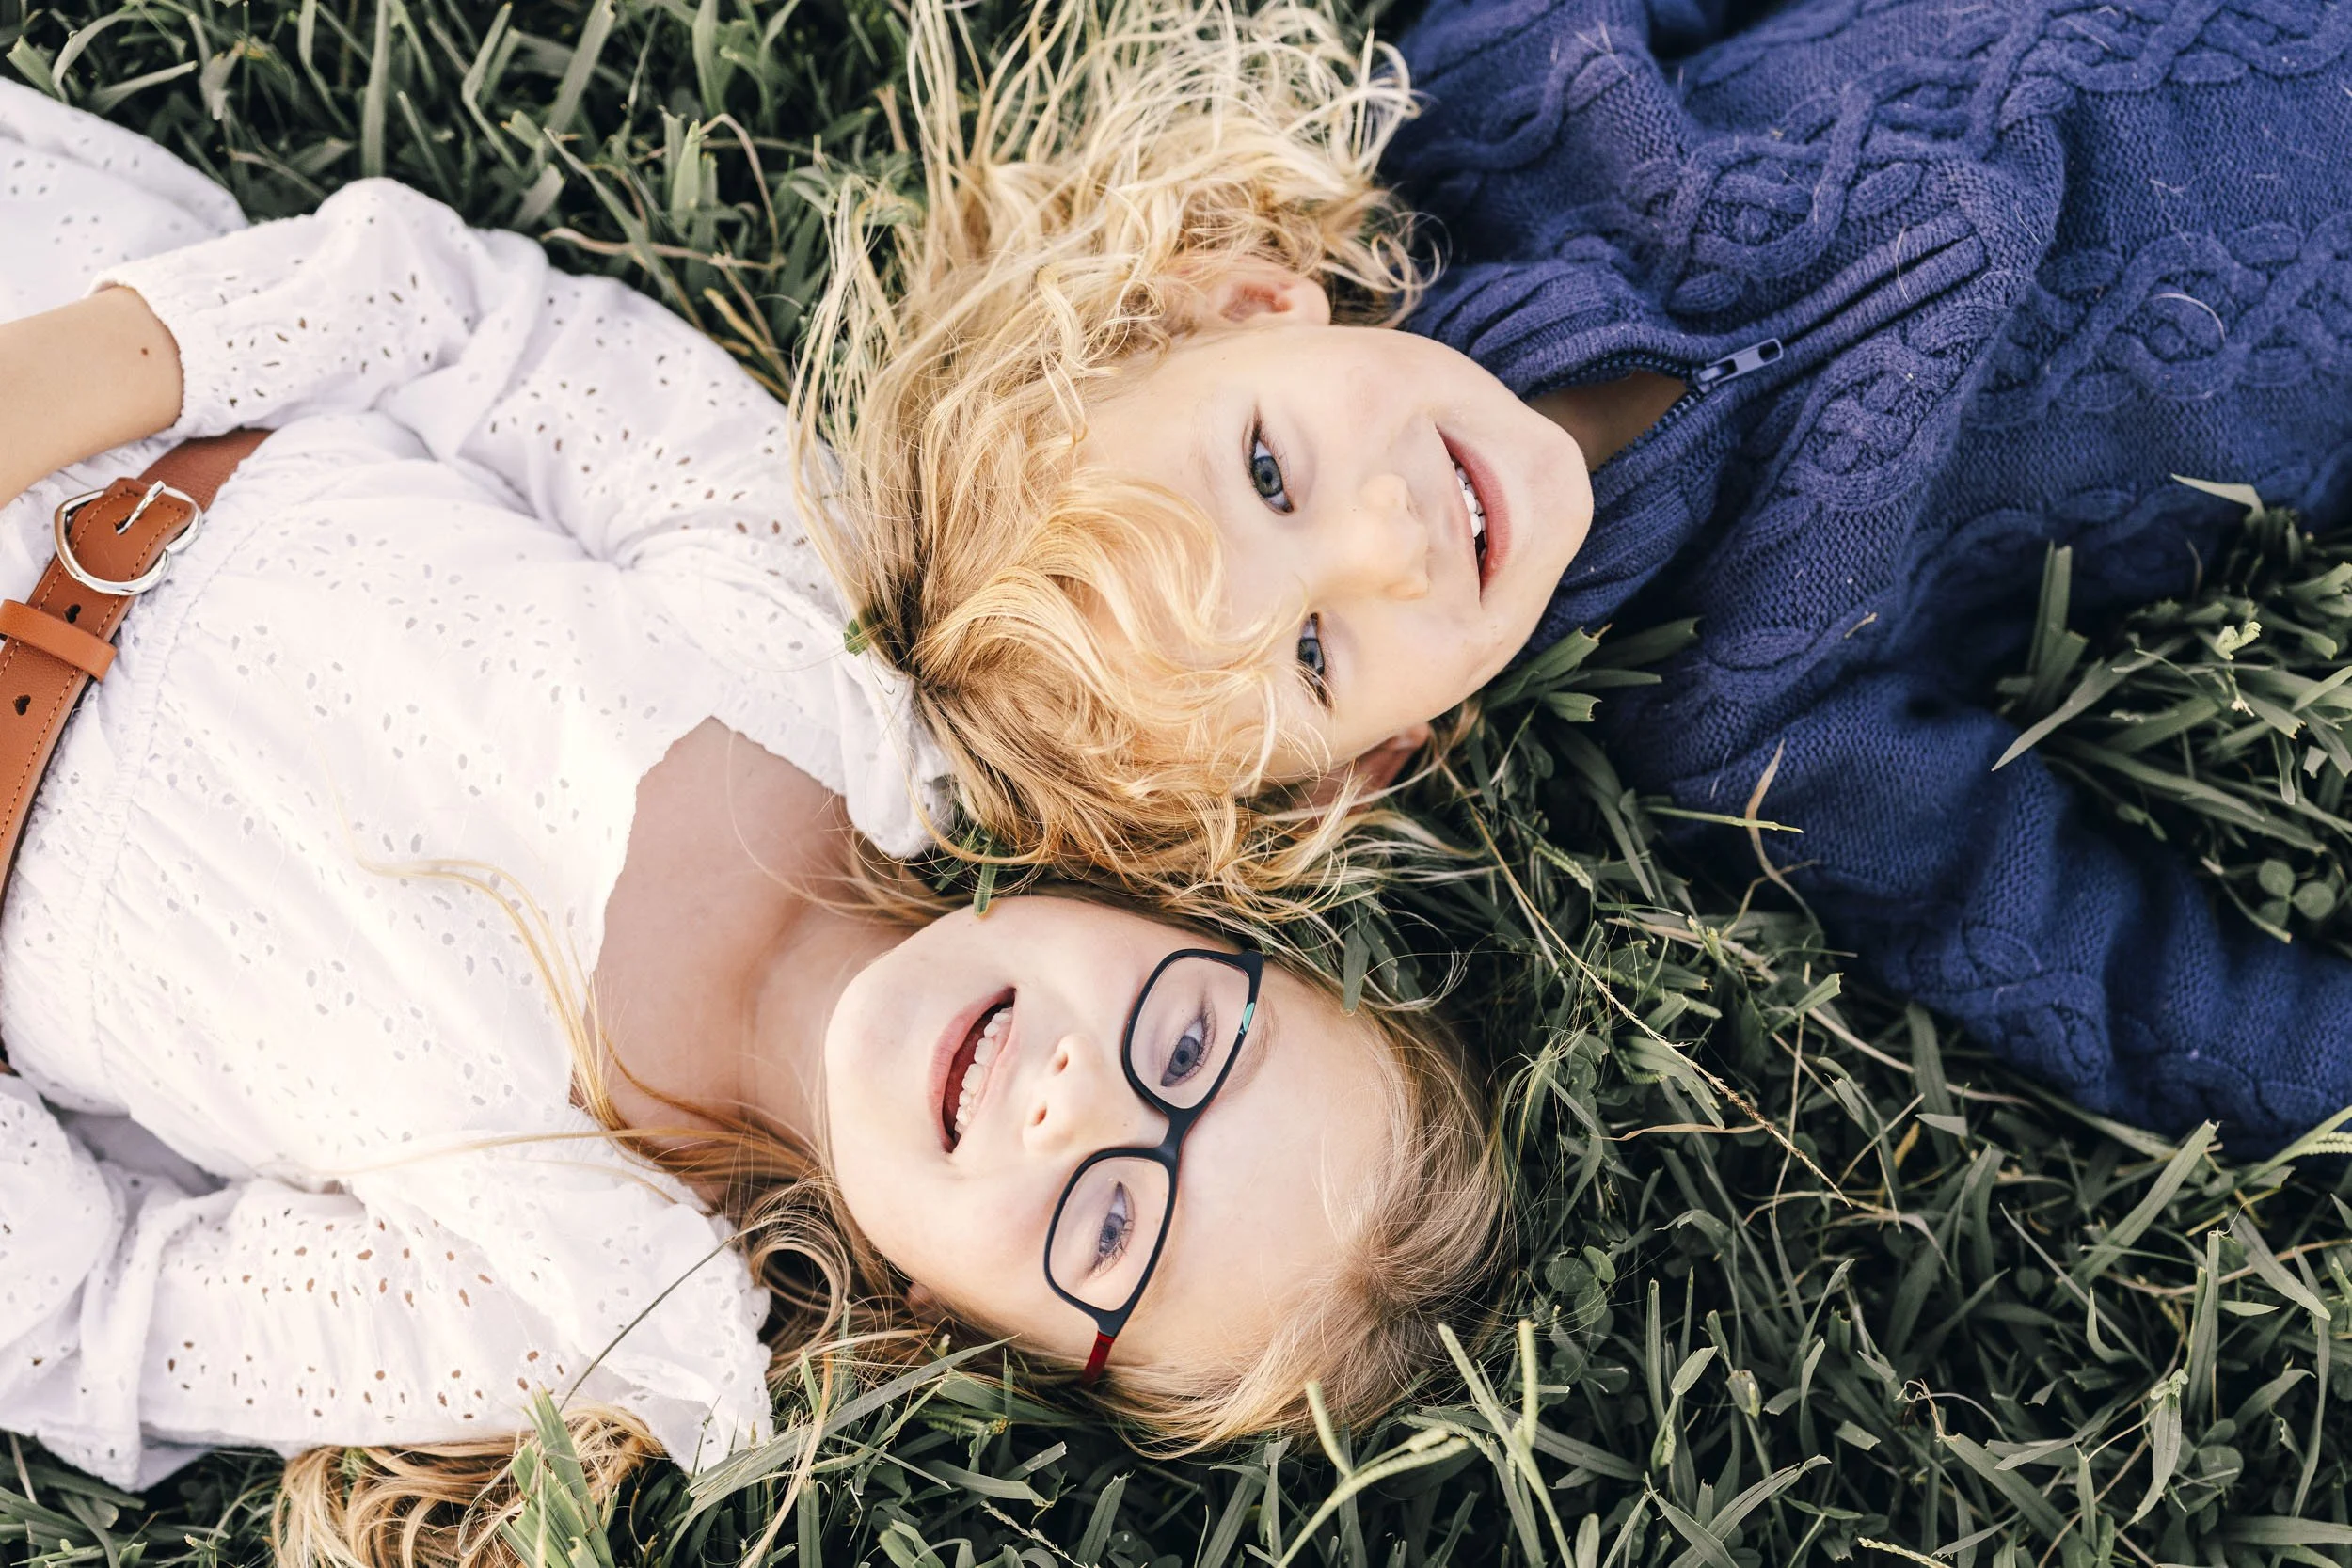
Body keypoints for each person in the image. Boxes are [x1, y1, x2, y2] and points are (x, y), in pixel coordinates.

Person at [0, 82, 1501, 1564]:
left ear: (986, 1332)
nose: (1073, 1100)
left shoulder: (585, 1291)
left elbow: (88, 1313)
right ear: (1174, 919)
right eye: (1185, 1043)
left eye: (1111, 1229)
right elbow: (460, 321)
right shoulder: (826, 641)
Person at [818, 0, 2352, 1143]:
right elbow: (2061, 938)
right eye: (1316, 654)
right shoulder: (1736, 712)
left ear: (1243, 301)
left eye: (1272, 471)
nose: (1388, 539)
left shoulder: (1506, 94)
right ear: (1379, 758)